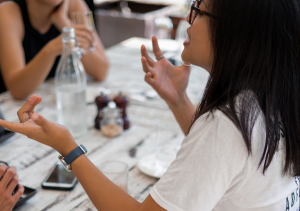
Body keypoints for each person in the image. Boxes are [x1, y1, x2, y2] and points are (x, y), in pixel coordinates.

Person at [0, 0, 300, 210]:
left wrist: (69, 148)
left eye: (197, 9)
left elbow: (221, 142)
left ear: (237, 32)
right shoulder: (270, 98)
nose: (187, 20)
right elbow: (231, 157)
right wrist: (179, 99)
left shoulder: (226, 125)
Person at [0, 0, 109, 100]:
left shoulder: (74, 4)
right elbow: (18, 91)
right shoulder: (7, 12)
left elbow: (100, 71)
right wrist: (51, 50)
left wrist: (63, 22)